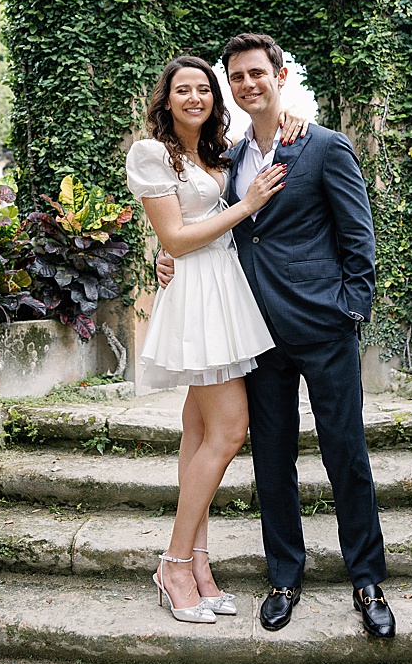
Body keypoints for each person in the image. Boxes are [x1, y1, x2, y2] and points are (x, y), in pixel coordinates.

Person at [157, 33, 393, 639]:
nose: (246, 85)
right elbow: (205, 227)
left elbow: (358, 241)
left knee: (347, 454)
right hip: (257, 331)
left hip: (324, 328)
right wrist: (170, 259)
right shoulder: (230, 159)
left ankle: (366, 577)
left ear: (280, 76)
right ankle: (284, 575)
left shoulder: (324, 147)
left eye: (257, 74)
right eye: (236, 78)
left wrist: (349, 309)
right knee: (272, 461)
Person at [125, 54, 301, 624]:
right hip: (199, 294)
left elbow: (189, 219)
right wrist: (245, 206)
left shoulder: (217, 153)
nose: (195, 97)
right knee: (230, 430)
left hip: (226, 289)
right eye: (183, 90)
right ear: (167, 99)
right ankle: (173, 563)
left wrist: (290, 116)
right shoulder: (152, 153)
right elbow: (174, 238)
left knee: (198, 431)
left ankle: (199, 564)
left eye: (204, 88)